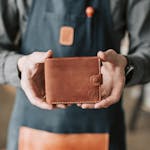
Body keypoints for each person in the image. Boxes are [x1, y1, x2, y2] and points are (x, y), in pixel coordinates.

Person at [0, 0, 150, 149]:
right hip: (31, 126)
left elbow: (147, 49)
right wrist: (19, 67)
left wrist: (126, 69)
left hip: (101, 126)